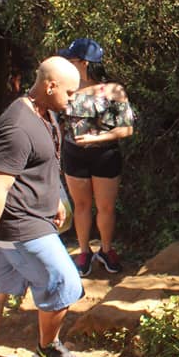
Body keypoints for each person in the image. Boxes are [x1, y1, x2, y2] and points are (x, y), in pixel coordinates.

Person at [0, 56, 85, 357]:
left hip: (34, 218)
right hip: (20, 225)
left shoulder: (45, 111)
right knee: (66, 283)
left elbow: (43, 164)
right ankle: (47, 346)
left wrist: (57, 198)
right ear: (50, 86)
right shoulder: (17, 126)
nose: (72, 98)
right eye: (70, 92)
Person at [58, 38, 135, 277]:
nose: (67, 63)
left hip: (105, 155)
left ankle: (106, 249)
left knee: (106, 207)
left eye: (71, 59)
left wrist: (95, 140)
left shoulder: (113, 90)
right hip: (73, 155)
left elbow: (127, 129)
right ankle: (84, 252)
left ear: (83, 62)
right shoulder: (65, 89)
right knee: (81, 206)